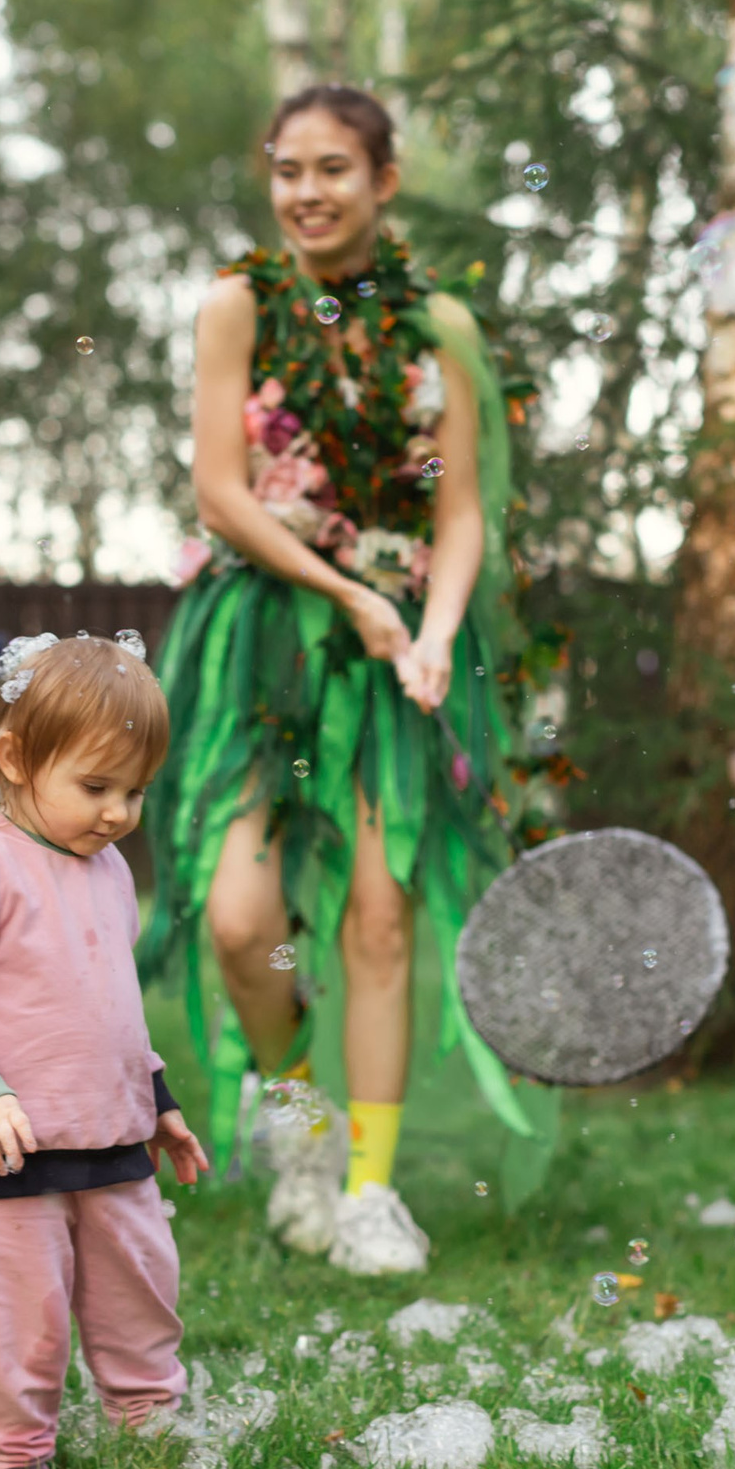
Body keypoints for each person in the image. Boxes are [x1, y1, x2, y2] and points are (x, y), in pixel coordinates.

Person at [139, 83, 539, 1275]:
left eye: (333, 170)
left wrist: (432, 626)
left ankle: (369, 1189)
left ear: (384, 180)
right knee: (239, 916)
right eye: (287, 169)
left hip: (393, 655)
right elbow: (221, 493)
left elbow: (460, 513)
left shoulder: (439, 329)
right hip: (265, 634)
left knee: (378, 918)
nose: (306, 192)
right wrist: (350, 595)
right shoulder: (236, 307)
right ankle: (299, 1121)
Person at [0, 632, 210, 1469]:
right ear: (22, 759)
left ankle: (148, 1428)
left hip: (114, 1149)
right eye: (97, 786)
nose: (117, 812)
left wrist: (156, 1100)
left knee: (143, 1299)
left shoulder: (107, 871)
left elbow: (107, 1010)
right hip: (7, 1153)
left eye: (135, 791)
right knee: (18, 1328)